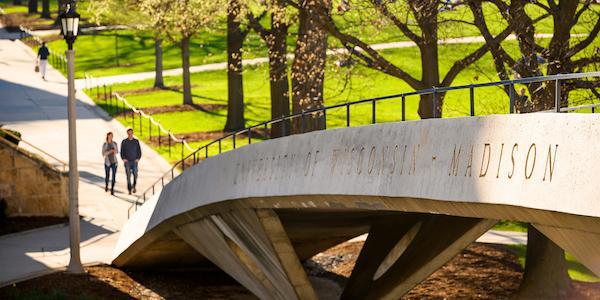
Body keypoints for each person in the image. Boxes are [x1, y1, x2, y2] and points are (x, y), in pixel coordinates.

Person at [121, 128, 141, 195]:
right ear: (127, 134)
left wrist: (138, 158)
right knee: (128, 176)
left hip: (134, 161)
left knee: (135, 174)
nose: (130, 135)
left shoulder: (136, 141)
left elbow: (139, 151)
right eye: (129, 133)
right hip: (127, 162)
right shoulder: (124, 141)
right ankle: (129, 189)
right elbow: (122, 151)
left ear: (133, 133)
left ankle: (134, 186)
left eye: (131, 133)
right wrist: (123, 159)